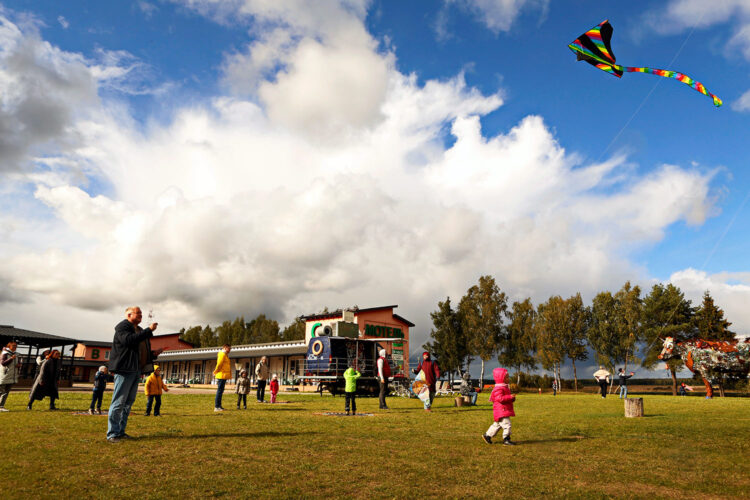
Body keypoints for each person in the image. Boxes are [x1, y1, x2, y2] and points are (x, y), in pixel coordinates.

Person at [107, 306, 161, 443]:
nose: (141, 315)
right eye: (138, 313)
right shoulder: (123, 326)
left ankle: (121, 431)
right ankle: (112, 434)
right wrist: (149, 330)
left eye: (141, 313)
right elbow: (129, 341)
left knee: (128, 403)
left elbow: (140, 350)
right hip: (125, 369)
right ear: (129, 315)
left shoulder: (139, 330)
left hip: (136, 369)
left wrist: (153, 354)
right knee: (119, 402)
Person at [482, 367, 516, 445]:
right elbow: (499, 398)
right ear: (501, 378)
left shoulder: (504, 387)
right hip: (502, 410)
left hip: (502, 410)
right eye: (507, 377)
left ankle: (487, 435)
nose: (508, 378)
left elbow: (505, 398)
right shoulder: (499, 388)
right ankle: (506, 439)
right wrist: (509, 397)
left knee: (497, 425)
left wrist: (512, 398)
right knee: (507, 424)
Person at [0, 341, 21, 411]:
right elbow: (3, 363)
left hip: (12, 376)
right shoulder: (5, 353)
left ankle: (1, 406)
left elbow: (16, 363)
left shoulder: (16, 354)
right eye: (13, 346)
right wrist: (11, 358)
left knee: (6, 392)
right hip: (4, 376)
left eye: (16, 346)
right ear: (9, 346)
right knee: (2, 392)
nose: (15, 347)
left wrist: (18, 365)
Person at [213, 344, 231, 412]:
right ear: (225, 348)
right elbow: (219, 364)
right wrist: (215, 371)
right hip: (221, 374)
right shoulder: (222, 354)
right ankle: (216, 406)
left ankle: (219, 406)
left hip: (224, 375)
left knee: (221, 391)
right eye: (229, 349)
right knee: (219, 391)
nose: (229, 350)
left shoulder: (225, 355)